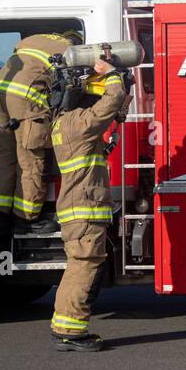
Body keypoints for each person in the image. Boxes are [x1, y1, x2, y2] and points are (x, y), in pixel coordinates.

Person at [48, 53, 126, 351]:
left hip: (80, 208)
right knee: (83, 266)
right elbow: (111, 100)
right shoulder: (77, 124)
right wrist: (111, 75)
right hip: (84, 209)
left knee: (80, 264)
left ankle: (66, 328)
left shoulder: (64, 124)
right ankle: (70, 332)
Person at [0, 30, 82, 232]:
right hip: (24, 96)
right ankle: (26, 218)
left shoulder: (31, 40)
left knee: (1, 156)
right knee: (29, 159)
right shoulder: (72, 51)